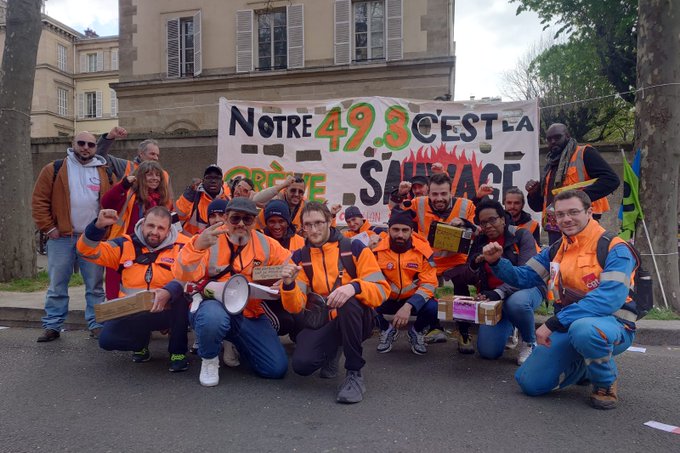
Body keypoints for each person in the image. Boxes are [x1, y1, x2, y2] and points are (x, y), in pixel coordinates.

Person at [480, 190, 638, 410]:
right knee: (530, 383)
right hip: (569, 324)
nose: (566, 219)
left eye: (573, 212)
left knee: (585, 331)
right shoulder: (556, 249)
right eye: (561, 214)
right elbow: (524, 277)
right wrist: (497, 262)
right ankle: (585, 364)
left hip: (612, 325)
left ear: (590, 212)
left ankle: (604, 383)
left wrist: (554, 323)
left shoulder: (615, 248)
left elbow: (609, 300)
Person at [173, 198, 291, 387]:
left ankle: (237, 343)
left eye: (248, 219)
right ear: (226, 219)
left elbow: (291, 266)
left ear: (254, 221)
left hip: (249, 314)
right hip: (214, 308)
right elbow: (182, 273)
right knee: (213, 318)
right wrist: (197, 247)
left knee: (275, 369)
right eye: (236, 219)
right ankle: (210, 359)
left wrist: (284, 281)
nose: (241, 224)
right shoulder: (208, 239)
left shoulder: (266, 244)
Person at [280, 202, 389, 404]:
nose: (313, 230)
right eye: (308, 225)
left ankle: (354, 373)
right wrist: (288, 285)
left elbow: (382, 290)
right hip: (323, 320)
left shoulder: (354, 248)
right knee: (302, 366)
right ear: (302, 227)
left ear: (330, 221)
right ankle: (333, 350)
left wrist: (354, 287)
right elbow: (295, 307)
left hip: (358, 319)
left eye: (319, 223)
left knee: (348, 301)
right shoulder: (300, 257)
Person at [76, 207, 190, 372]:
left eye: (160, 228)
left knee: (181, 298)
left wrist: (169, 293)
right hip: (133, 312)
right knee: (106, 341)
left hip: (167, 309)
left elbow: (196, 270)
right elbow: (85, 251)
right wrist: (98, 226)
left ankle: (178, 353)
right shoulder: (124, 244)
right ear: (143, 224)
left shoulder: (182, 246)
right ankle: (140, 344)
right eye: (150, 226)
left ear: (169, 230)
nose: (154, 232)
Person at [32, 131, 112, 341]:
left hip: (92, 239)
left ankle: (96, 324)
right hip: (61, 238)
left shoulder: (104, 171)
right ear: (73, 144)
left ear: (96, 148)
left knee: (95, 285)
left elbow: (111, 202)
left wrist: (106, 232)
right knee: (57, 284)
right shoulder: (55, 168)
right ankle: (53, 326)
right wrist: (48, 228)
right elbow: (39, 201)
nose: (86, 147)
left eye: (91, 144)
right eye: (81, 143)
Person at [399, 173, 477, 352]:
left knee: (461, 287)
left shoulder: (466, 206)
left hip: (456, 259)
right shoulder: (418, 203)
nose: (438, 198)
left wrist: (464, 223)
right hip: (429, 260)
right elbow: (398, 217)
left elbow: (478, 230)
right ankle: (435, 327)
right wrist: (401, 195)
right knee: (424, 287)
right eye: (434, 194)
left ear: (451, 192)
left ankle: (464, 333)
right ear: (428, 192)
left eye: (443, 193)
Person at [467, 199, 545, 365]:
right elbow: (470, 268)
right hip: (496, 298)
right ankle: (514, 324)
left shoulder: (521, 235)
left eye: (492, 220)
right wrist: (476, 261)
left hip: (527, 290)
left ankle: (530, 342)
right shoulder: (481, 239)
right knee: (488, 352)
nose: (488, 225)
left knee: (517, 303)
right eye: (483, 222)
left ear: (503, 218)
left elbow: (526, 274)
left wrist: (499, 292)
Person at [526, 123, 620, 244]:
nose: (553, 141)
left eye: (557, 137)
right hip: (554, 227)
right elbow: (538, 206)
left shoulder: (584, 153)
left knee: (583, 261)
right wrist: (533, 193)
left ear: (567, 136)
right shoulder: (550, 166)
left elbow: (612, 180)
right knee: (557, 262)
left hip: (581, 223)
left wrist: (579, 198)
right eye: (549, 139)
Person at [101, 160, 173, 299]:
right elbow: (106, 202)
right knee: (115, 289)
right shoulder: (129, 194)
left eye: (158, 175)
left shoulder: (163, 199)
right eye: (150, 175)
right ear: (141, 177)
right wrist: (123, 185)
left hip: (151, 249)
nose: (155, 178)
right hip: (124, 246)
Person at [373, 210, 438, 355]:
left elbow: (429, 284)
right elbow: (369, 281)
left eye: (405, 230)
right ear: (388, 229)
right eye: (395, 229)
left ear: (412, 231)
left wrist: (408, 306)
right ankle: (386, 329)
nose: (400, 235)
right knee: (360, 302)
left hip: (412, 300)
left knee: (435, 307)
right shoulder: (376, 250)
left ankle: (416, 331)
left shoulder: (424, 252)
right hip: (387, 298)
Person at [96, 127, 173, 195]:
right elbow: (100, 156)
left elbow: (169, 200)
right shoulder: (127, 166)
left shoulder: (163, 174)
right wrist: (110, 137)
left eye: (157, 155)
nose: (156, 158)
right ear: (141, 154)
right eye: (152, 154)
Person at [175, 164, 230, 236]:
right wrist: (190, 192)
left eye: (217, 178)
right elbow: (177, 218)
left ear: (222, 183)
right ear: (203, 181)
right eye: (209, 178)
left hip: (219, 244)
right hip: (191, 244)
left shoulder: (228, 202)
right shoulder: (193, 197)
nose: (213, 181)